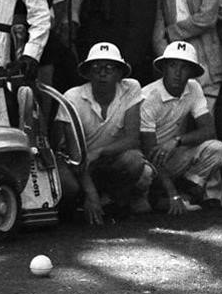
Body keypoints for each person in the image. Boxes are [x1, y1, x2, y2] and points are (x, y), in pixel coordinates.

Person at [57, 42, 153, 223]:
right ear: (88, 73)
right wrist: (90, 193)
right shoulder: (72, 97)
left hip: (107, 158)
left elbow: (133, 139)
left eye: (109, 67)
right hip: (76, 163)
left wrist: (100, 152)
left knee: (135, 161)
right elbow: (75, 155)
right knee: (68, 185)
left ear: (119, 73)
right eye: (96, 68)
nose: (103, 73)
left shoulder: (131, 88)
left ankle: (110, 200)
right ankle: (80, 204)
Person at [140, 41, 222, 212]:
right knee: (144, 182)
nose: (178, 73)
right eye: (173, 66)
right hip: (149, 163)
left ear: (191, 72)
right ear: (164, 68)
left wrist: (177, 140)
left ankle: (185, 197)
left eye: (184, 67)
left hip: (174, 155)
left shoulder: (194, 87)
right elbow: (149, 151)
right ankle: (163, 198)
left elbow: (209, 130)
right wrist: (171, 193)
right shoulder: (149, 97)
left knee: (217, 149)